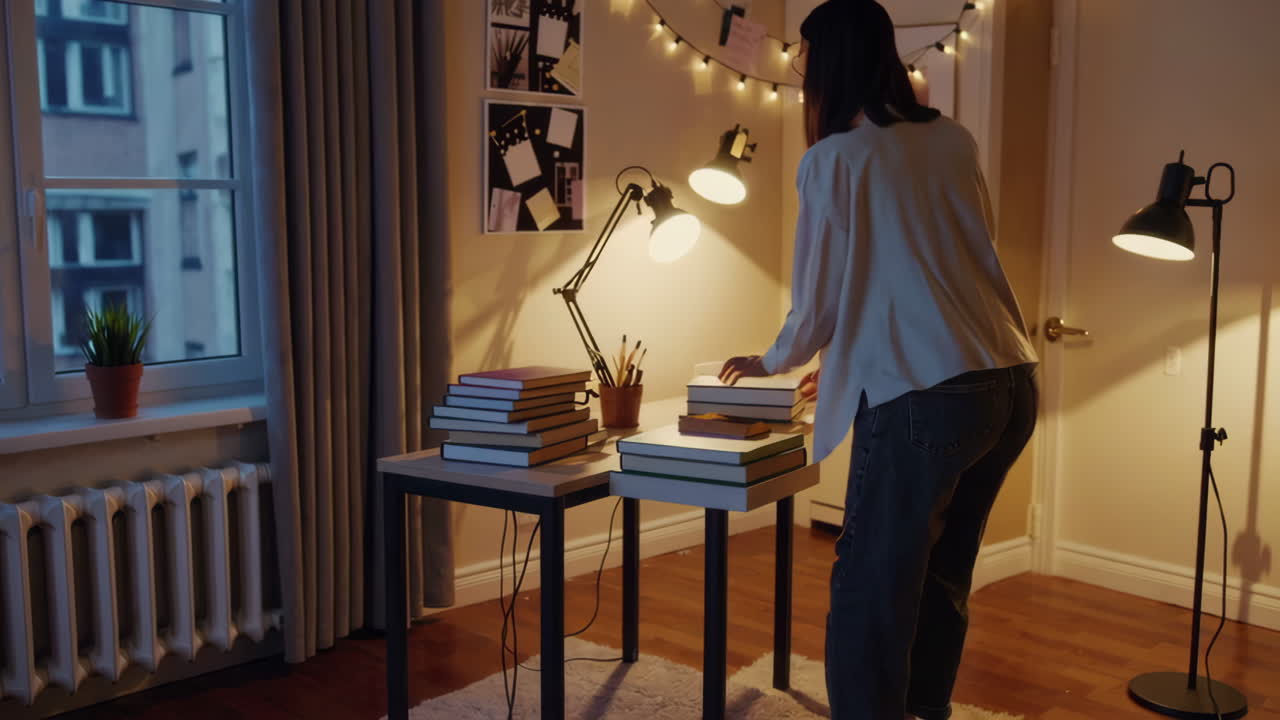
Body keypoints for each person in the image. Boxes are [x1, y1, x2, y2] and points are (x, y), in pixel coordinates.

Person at [718, 1, 1039, 718]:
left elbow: (819, 301)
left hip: (927, 395)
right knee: (941, 575)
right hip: (1008, 382)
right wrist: (849, 357)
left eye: (803, 59)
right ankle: (926, 711)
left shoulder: (834, 159)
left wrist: (775, 357)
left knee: (871, 588)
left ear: (825, 64)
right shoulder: (953, 140)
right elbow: (944, 263)